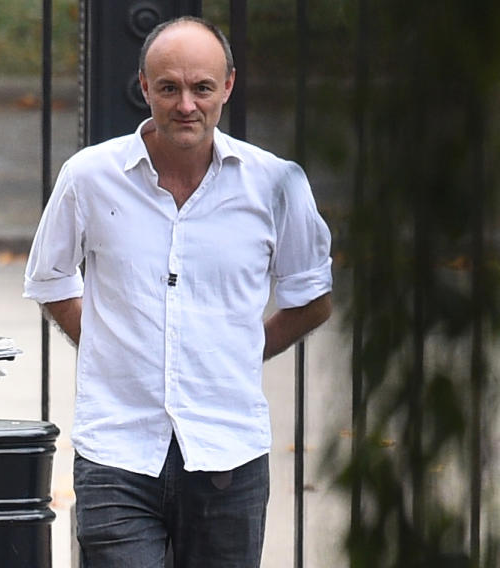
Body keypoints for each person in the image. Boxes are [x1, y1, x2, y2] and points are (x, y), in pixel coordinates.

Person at [24, 16, 333, 568]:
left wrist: (238, 349)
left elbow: (311, 296)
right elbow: (50, 279)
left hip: (228, 454)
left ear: (228, 87)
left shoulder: (276, 184)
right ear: (145, 87)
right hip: (117, 451)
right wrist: (106, 344)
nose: (185, 104)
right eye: (169, 88)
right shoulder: (89, 177)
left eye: (201, 88)